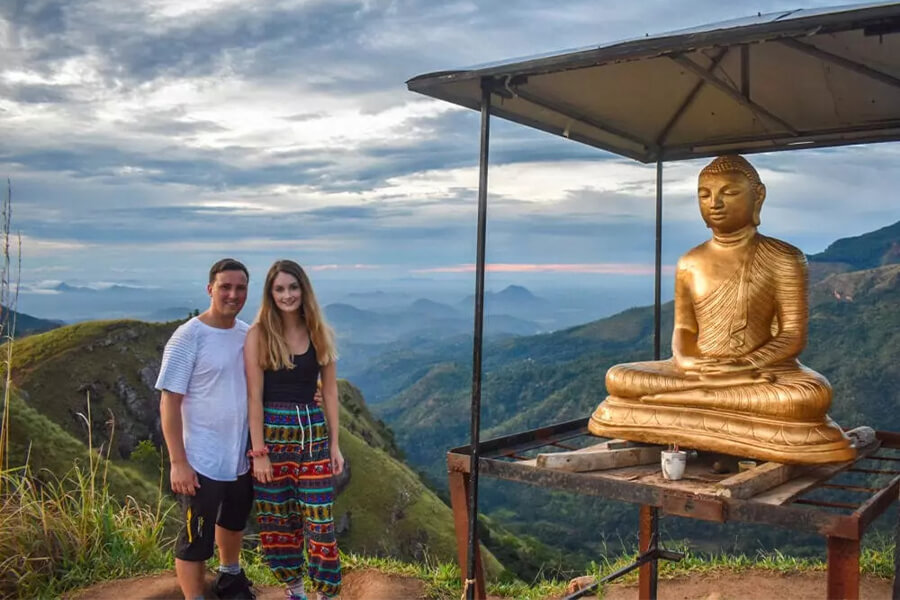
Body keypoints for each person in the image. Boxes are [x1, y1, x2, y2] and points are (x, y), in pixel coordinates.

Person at [589, 154, 854, 463]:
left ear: (759, 196)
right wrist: (688, 363)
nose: (714, 202)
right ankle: (697, 395)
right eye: (704, 194)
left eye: (729, 192)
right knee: (619, 377)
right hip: (697, 369)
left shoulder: (784, 257)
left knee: (807, 396)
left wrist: (745, 364)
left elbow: (792, 335)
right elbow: (685, 328)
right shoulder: (690, 261)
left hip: (759, 372)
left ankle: (681, 401)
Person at [157, 258, 256, 600]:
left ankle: (229, 577)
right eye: (225, 286)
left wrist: (312, 392)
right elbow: (168, 402)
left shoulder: (248, 335)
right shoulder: (189, 337)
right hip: (201, 458)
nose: (233, 294)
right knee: (195, 536)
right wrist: (178, 462)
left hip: (239, 455)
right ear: (210, 288)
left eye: (240, 287)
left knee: (232, 520)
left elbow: (267, 385)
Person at [245, 259, 344, 600]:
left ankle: (326, 594)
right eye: (279, 289)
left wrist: (335, 445)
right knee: (278, 519)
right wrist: (258, 453)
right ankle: (295, 591)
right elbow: (253, 397)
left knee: (320, 521)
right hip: (272, 437)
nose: (287, 295)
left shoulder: (318, 332)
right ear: (270, 294)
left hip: (314, 436)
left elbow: (330, 392)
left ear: (304, 289)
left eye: (293, 287)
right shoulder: (258, 334)